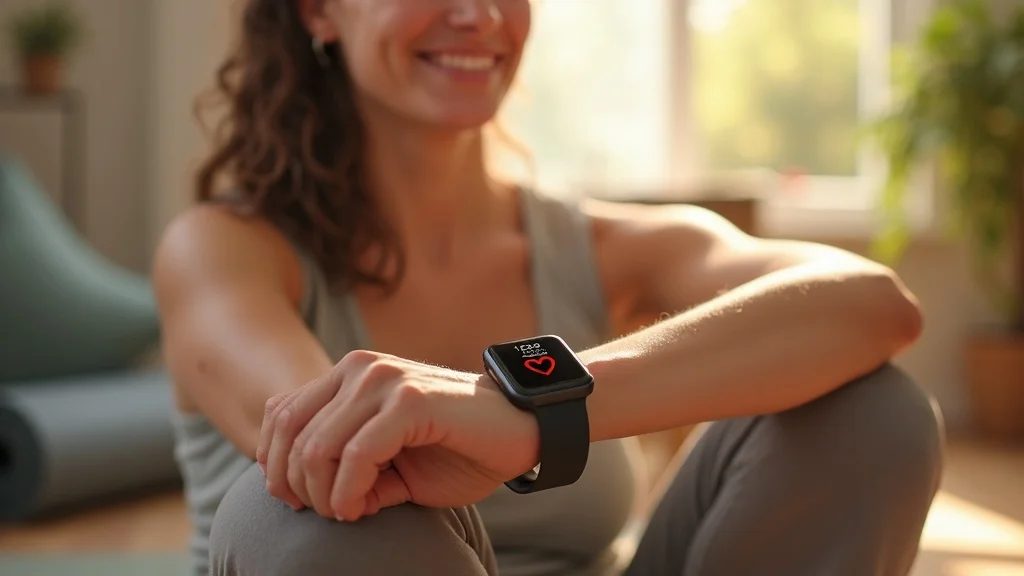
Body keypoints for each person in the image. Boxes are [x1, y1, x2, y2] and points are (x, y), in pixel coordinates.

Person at [153, 1, 945, 575]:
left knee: (873, 410)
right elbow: (330, 448)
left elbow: (870, 302)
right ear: (319, 11)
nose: (479, 13)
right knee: (327, 508)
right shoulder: (221, 250)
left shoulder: (599, 245)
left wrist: (525, 412)